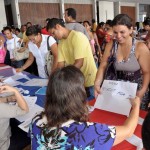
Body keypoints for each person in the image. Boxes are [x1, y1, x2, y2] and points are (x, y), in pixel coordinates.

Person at [30, 65, 140, 150]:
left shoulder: (36, 119)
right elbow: (128, 130)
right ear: (79, 96)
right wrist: (136, 106)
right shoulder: (88, 133)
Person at [94, 14, 150, 110]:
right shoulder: (111, 45)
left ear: (131, 29)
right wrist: (97, 82)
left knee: (136, 119)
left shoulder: (140, 47)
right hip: (117, 89)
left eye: (122, 32)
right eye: (115, 32)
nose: (118, 36)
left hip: (136, 90)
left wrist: (142, 91)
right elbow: (103, 65)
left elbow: (147, 72)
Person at [47, 18, 97, 100]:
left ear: (58, 26)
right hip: (76, 80)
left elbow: (79, 63)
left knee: (93, 106)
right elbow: (60, 65)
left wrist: (64, 78)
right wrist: (53, 78)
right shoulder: (61, 43)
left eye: (53, 33)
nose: (53, 36)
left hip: (89, 81)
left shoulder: (77, 37)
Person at [0, 85, 29, 150]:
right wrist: (15, 91)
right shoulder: (1, 107)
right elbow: (24, 110)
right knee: (31, 134)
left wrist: (7, 99)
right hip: (4, 145)